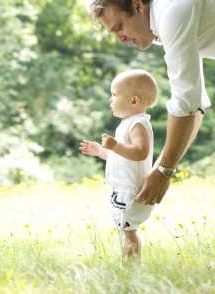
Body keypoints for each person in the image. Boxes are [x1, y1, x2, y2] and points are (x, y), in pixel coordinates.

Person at [88, 0, 215, 266]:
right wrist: (163, 167)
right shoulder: (161, 25)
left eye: (120, 27)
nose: (120, 38)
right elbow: (195, 105)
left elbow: (185, 103)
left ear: (138, 5)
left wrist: (164, 170)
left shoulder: (172, 10)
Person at [80, 69, 158, 263]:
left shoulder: (138, 124)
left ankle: (131, 268)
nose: (110, 100)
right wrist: (100, 151)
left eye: (114, 95)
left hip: (132, 190)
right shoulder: (127, 123)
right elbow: (120, 157)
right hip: (121, 189)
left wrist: (115, 145)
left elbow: (141, 152)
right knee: (124, 230)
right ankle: (127, 263)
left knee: (128, 231)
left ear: (134, 100)